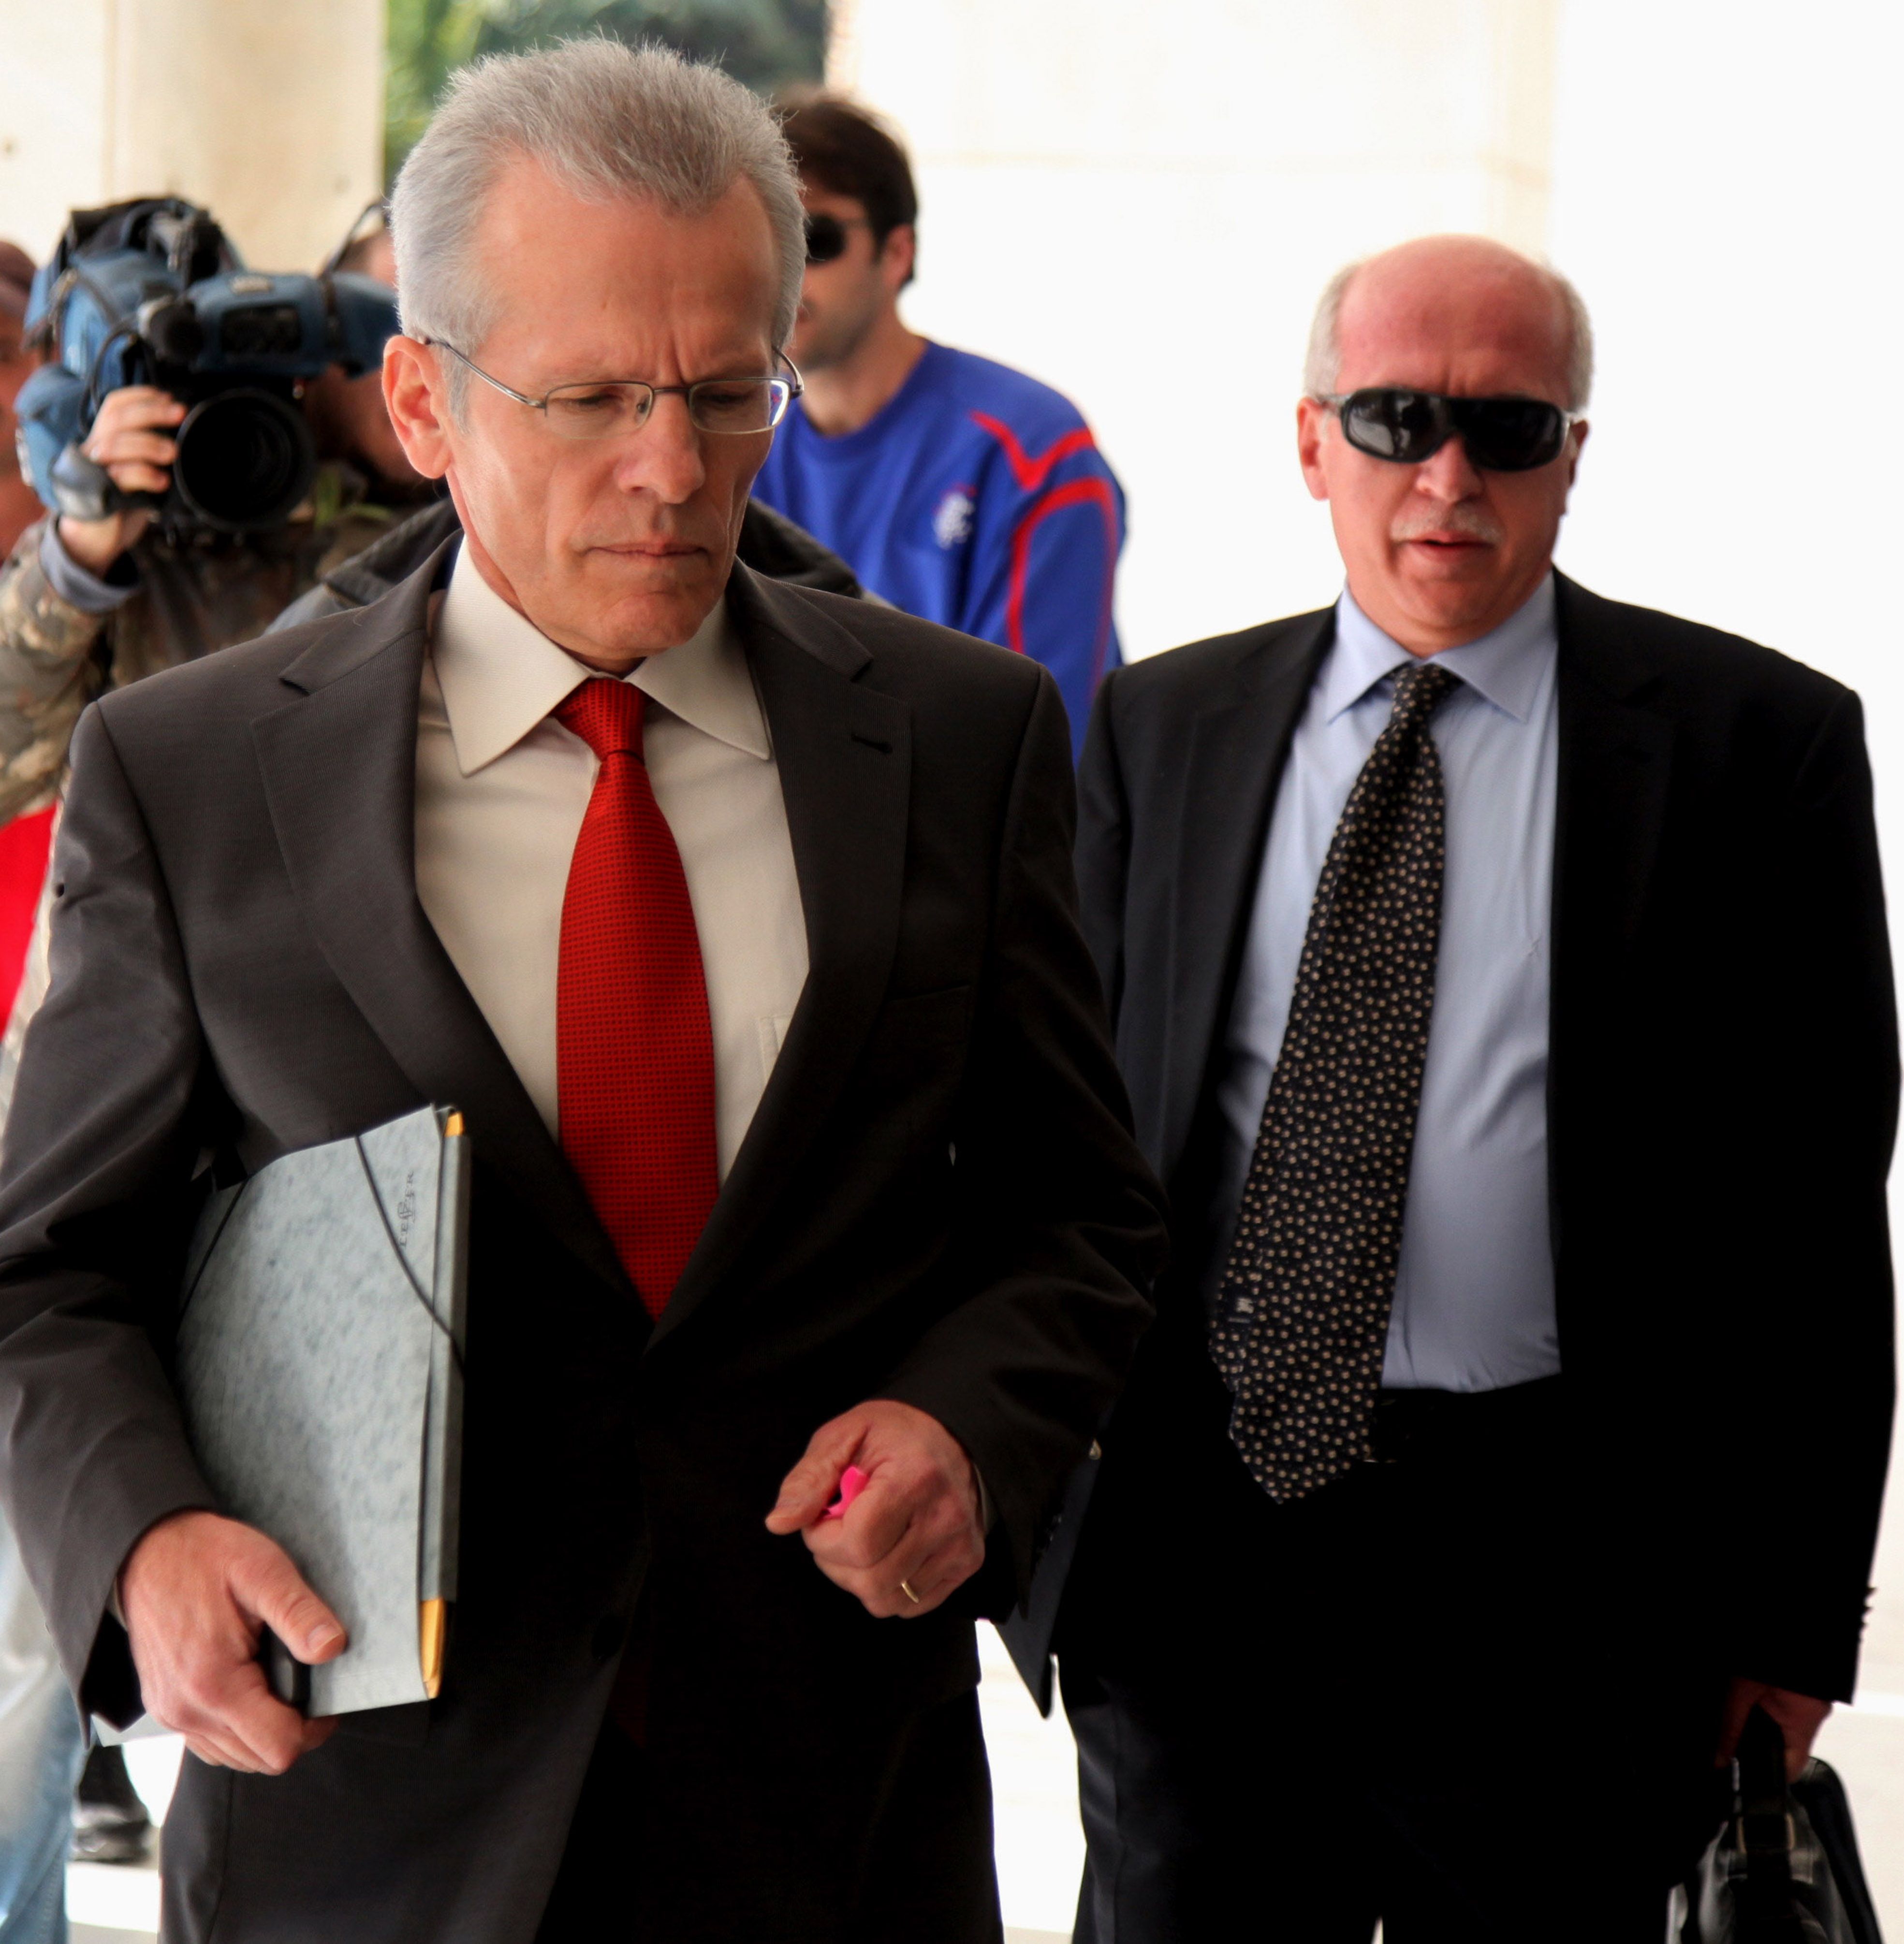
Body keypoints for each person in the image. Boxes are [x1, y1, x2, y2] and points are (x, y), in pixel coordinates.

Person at [0, 39, 1165, 1944]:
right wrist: (138, 1543)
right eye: (592, 397)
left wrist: (974, 1429)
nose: (668, 469)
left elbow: (1076, 1210)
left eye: (722, 394)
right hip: (358, 1830)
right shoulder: (194, 774)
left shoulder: (963, 741)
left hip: (830, 1819)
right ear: (422, 401)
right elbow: (51, 1266)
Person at [1029, 235, 1897, 1941]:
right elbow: (1076, 1139)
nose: (1446, 477)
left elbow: (1815, 1214)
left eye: (1505, 429)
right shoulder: (1160, 725)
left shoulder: (1755, 746)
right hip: (1201, 1561)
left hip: (1564, 1584)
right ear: (1310, 443)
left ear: (1572, 456)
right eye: (1393, 420)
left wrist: (1789, 1625)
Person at [750, 95, 1124, 752]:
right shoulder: (730, 438)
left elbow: (1036, 742)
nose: (787, 274)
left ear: (897, 252)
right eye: (765, 240)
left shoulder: (1032, 450)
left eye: (816, 239)